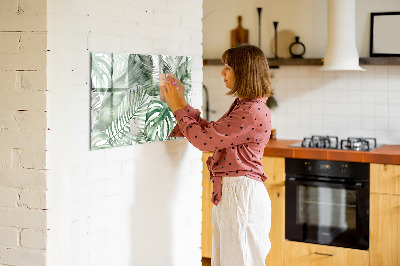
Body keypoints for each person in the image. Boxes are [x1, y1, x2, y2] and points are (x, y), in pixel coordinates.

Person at [161, 44, 273, 266]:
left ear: (244, 72)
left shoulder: (250, 111)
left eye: (228, 67)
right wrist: (182, 103)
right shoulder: (246, 106)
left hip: (241, 195)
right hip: (236, 193)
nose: (222, 72)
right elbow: (212, 133)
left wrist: (176, 108)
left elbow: (204, 141)